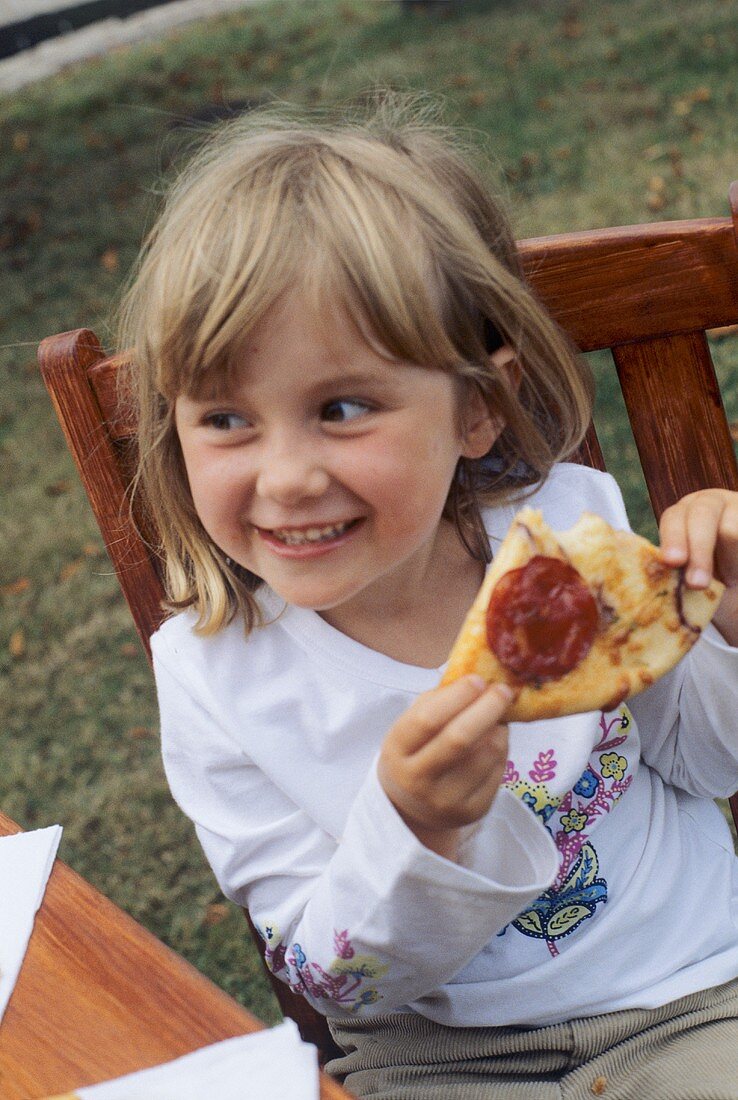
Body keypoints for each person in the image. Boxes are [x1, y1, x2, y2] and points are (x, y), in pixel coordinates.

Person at [118, 99, 738, 1099]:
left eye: (342, 407)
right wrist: (414, 830)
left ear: (476, 409)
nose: (284, 476)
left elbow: (710, 753)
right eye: (226, 417)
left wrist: (729, 632)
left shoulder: (561, 539)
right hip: (440, 1057)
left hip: (695, 995)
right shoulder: (214, 676)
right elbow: (332, 979)